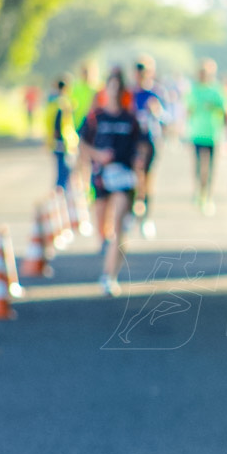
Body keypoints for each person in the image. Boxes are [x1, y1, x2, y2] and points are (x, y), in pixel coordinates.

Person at [78, 68, 147, 296]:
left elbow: (143, 147)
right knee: (104, 231)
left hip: (124, 179)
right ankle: (109, 251)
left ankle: (109, 276)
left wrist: (140, 163)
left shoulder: (131, 119)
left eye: (119, 88)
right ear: (105, 90)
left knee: (117, 225)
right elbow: (81, 144)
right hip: (100, 178)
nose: (115, 92)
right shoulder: (95, 117)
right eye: (111, 87)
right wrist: (98, 155)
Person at [187, 58, 227, 215]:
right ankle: (199, 192)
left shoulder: (218, 90)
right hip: (197, 133)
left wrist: (214, 107)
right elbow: (189, 109)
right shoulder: (193, 90)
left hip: (213, 134)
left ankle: (207, 195)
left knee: (210, 168)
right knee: (199, 167)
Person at [131, 55, 166, 239]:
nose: (141, 75)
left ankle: (146, 217)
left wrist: (157, 112)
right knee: (136, 177)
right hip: (134, 140)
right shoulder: (130, 93)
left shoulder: (156, 92)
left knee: (148, 179)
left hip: (150, 139)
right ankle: (133, 210)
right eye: (138, 71)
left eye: (144, 71)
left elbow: (167, 116)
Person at [43, 75, 78, 191]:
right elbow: (60, 125)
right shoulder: (63, 104)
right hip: (62, 142)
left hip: (57, 142)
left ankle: (60, 194)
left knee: (62, 170)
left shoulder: (51, 104)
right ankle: (59, 195)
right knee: (64, 171)